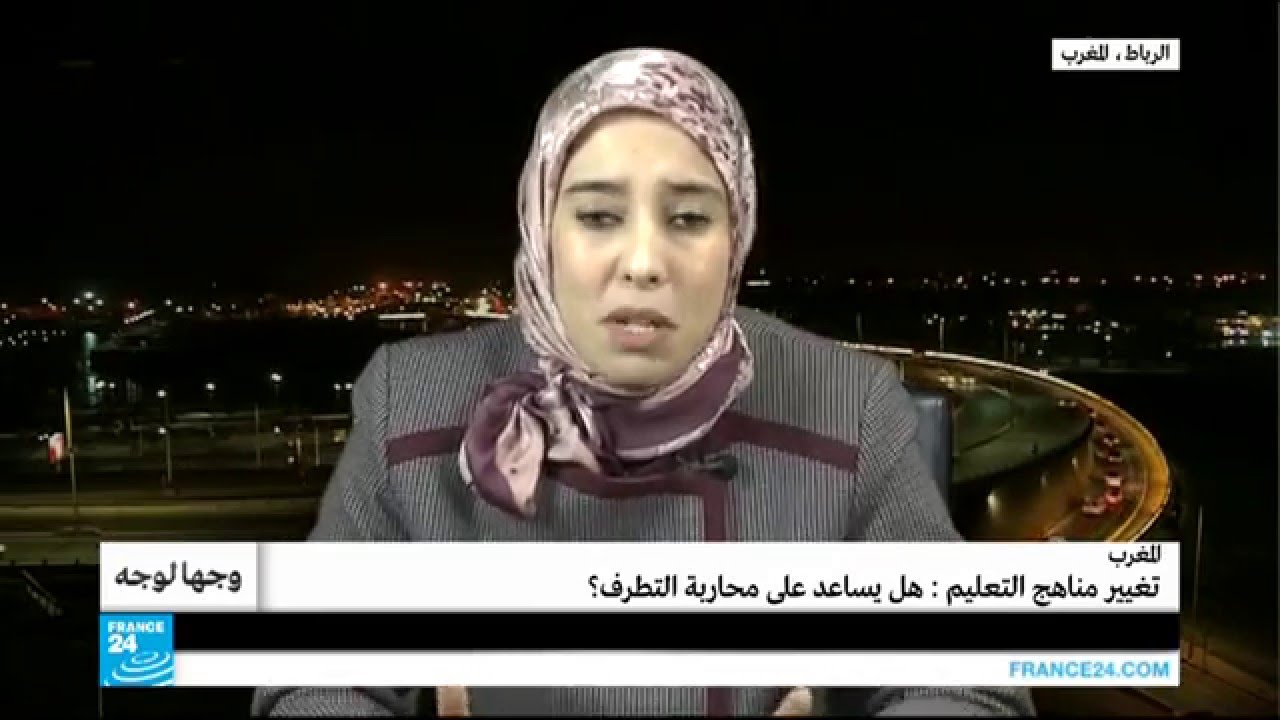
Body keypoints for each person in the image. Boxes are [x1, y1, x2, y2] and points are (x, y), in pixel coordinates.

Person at [252, 48, 1035, 717]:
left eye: (688, 219)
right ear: (541, 228)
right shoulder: (412, 398)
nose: (642, 262)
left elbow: (964, 681)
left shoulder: (847, 404)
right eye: (598, 217)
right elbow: (312, 678)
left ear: (737, 236)